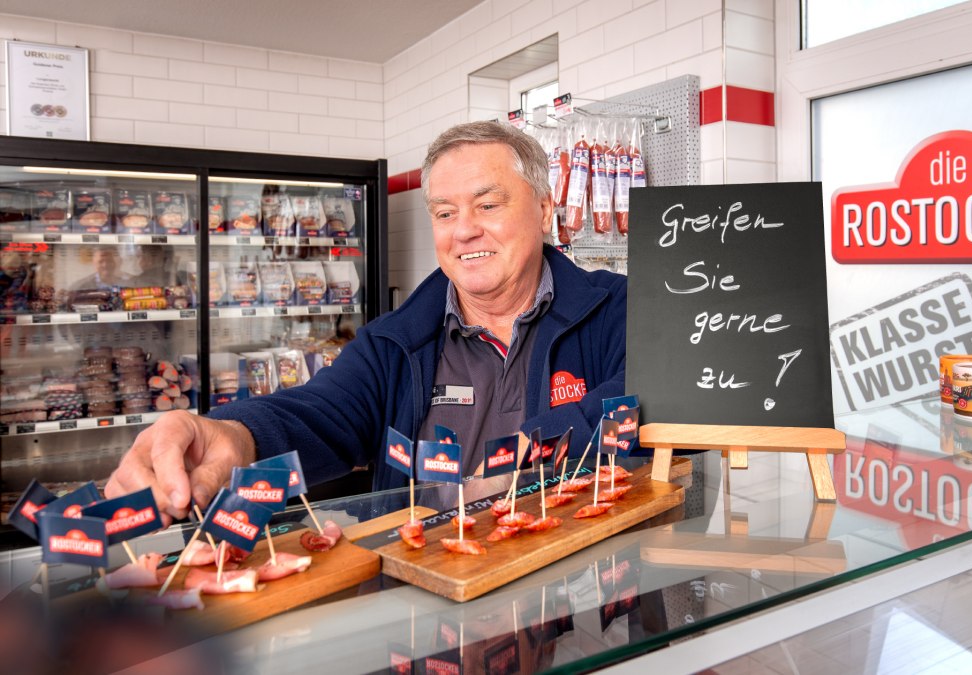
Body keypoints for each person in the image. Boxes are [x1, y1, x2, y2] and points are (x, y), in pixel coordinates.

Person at [105, 121, 628, 524]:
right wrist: (233, 435)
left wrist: (525, 459)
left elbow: (646, 398)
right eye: (445, 213)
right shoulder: (393, 342)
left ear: (544, 210)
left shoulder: (618, 308)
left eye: (487, 205)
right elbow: (318, 414)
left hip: (575, 594)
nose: (463, 231)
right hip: (428, 596)